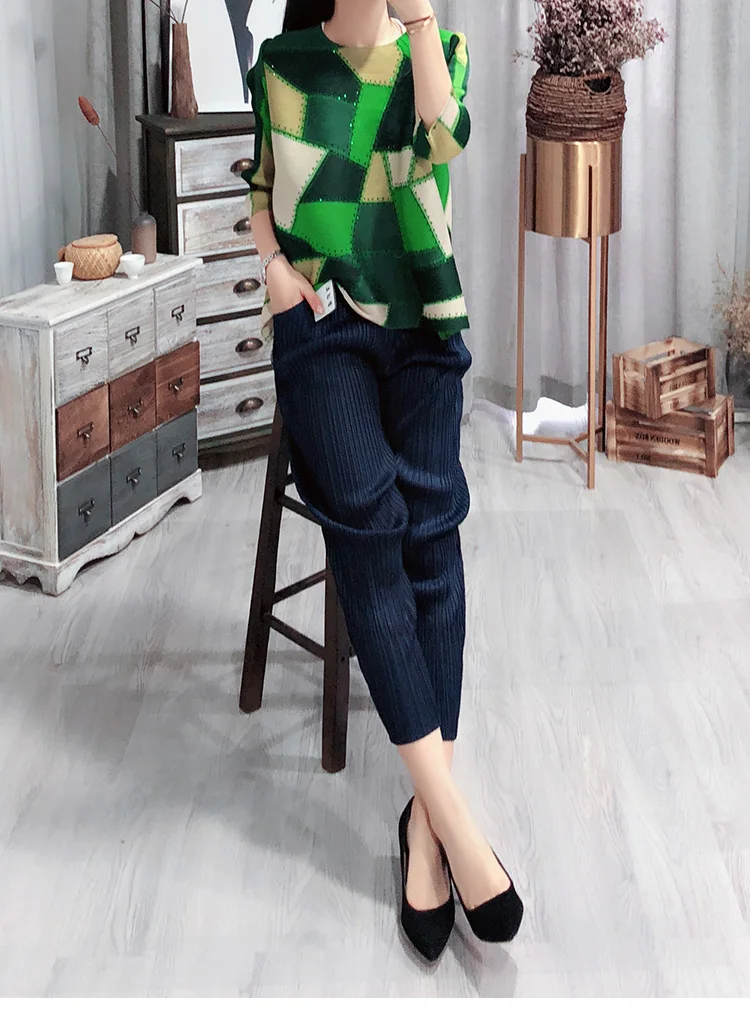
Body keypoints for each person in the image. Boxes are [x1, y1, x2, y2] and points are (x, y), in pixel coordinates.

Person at [244, 0, 523, 961]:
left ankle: (423, 826)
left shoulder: (435, 52)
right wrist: (275, 268)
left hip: (423, 326)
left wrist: (420, 23)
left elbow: (445, 136)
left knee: (432, 534)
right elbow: (261, 181)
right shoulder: (283, 61)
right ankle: (454, 820)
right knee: (367, 528)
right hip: (323, 327)